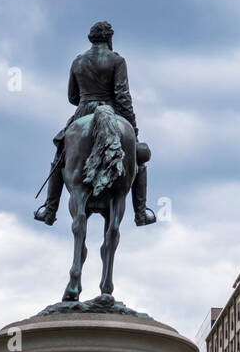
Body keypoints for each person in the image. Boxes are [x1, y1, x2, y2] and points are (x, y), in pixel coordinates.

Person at [33, 20, 156, 226]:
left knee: (59, 159)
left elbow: (72, 96)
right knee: (139, 158)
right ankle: (141, 212)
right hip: (112, 112)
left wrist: (86, 99)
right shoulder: (117, 61)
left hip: (83, 112)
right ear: (109, 38)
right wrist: (132, 129)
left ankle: (49, 209)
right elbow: (122, 96)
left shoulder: (78, 62)